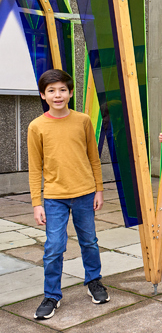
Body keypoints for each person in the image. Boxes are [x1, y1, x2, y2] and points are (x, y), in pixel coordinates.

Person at [28, 70, 110, 320]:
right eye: (51, 90)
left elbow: (94, 158)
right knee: (54, 247)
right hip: (54, 197)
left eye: (62, 89)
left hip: (85, 193)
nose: (57, 95)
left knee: (89, 242)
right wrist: (36, 203)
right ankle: (52, 295)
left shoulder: (83, 120)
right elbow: (34, 167)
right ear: (43, 95)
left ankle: (93, 281)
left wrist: (99, 189)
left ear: (70, 92)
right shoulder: (36, 126)